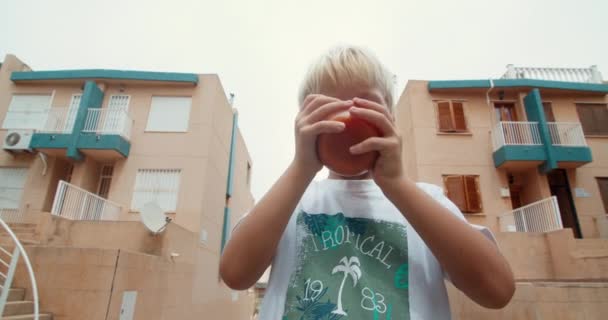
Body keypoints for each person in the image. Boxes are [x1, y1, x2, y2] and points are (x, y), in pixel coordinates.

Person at [220, 46, 515, 319]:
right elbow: (235, 274)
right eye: (329, 107)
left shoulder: (425, 201)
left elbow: (497, 290)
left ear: (391, 120)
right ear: (304, 122)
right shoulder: (290, 201)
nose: (348, 118)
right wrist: (301, 167)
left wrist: (396, 184)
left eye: (365, 105)